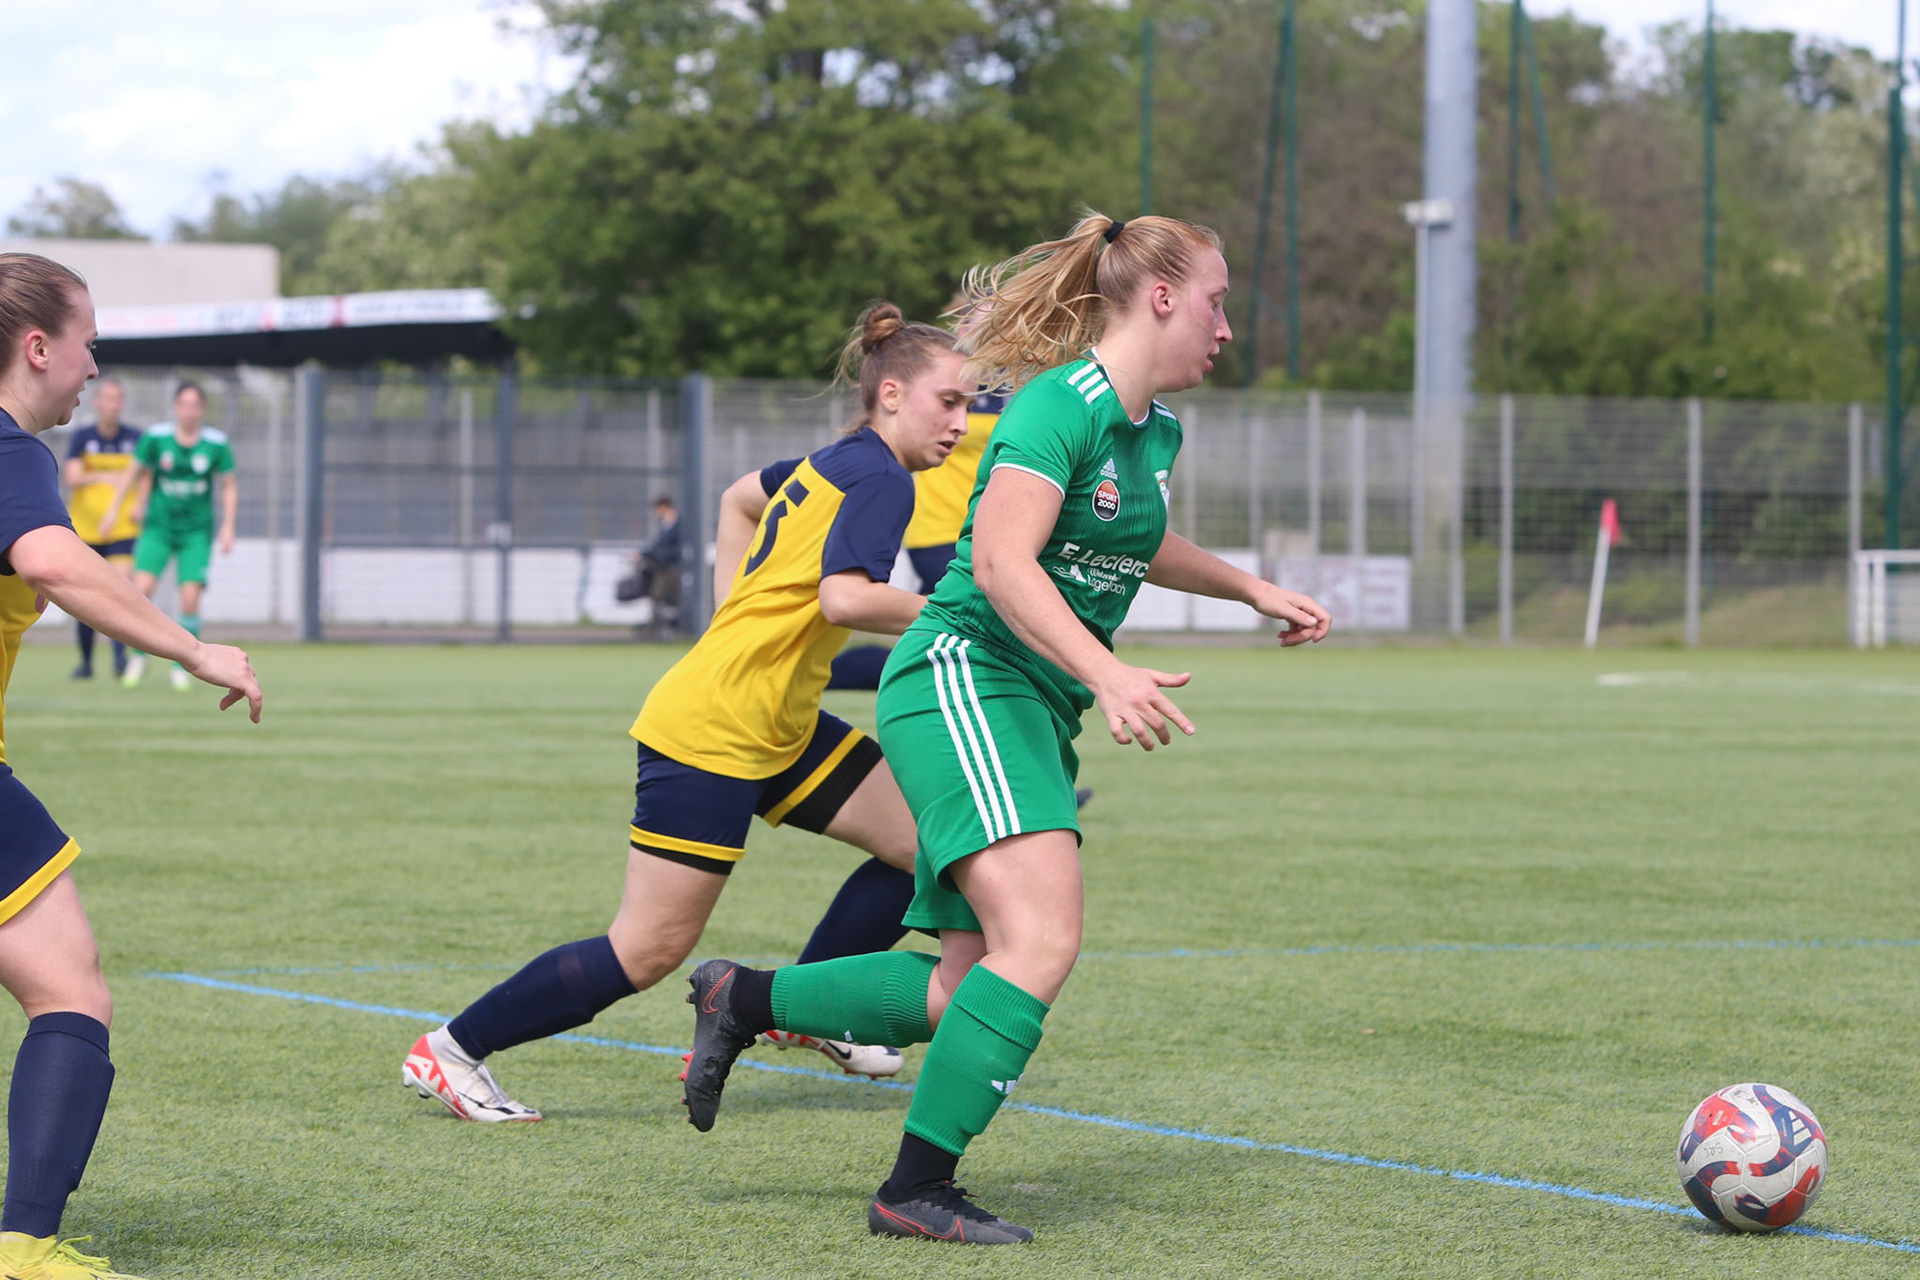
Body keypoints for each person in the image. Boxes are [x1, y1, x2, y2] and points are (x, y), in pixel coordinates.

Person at [677, 213, 1332, 1244]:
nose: (1225, 328)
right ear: (1161, 297)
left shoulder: (1154, 427)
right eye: (1217, 303)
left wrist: (1251, 587)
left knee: (963, 982)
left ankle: (745, 996)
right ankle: (913, 1189)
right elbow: (999, 561)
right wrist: (1107, 671)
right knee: (1042, 941)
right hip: (967, 678)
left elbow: (1137, 535)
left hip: (1020, 697)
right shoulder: (1055, 406)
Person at [401, 303, 974, 1120]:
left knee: (926, 847)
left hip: (779, 725)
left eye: (968, 404)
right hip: (714, 731)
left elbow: (738, 500)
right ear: (890, 394)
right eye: (948, 401)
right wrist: (964, 616)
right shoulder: (881, 476)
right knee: (647, 950)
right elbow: (845, 597)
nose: (961, 422)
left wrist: (729, 618)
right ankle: (452, 1050)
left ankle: (806, 1009)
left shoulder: (841, 460)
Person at [0, 252, 262, 1280]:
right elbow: (53, 561)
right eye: (89, 343)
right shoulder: (11, 451)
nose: (94, 366)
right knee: (70, 987)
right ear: (38, 348)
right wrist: (194, 648)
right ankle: (24, 1246)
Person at [104, 384, 235, 691]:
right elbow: (134, 472)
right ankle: (139, 656)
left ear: (201, 409)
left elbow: (229, 485)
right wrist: (114, 509)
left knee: (190, 597)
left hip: (196, 532)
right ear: (176, 407)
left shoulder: (216, 443)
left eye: (194, 405)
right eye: (183, 404)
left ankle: (182, 665)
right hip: (158, 528)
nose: (189, 411)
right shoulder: (156, 438)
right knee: (140, 591)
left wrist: (229, 525)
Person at [60, 379, 139, 680]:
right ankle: (86, 663)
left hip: (122, 529)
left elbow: (144, 475)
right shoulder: (82, 437)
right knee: (85, 599)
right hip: (86, 530)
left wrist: (139, 503)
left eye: (118, 399)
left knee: (120, 592)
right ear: (97, 402)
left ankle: (120, 660)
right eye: (108, 398)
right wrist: (105, 476)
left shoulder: (135, 438)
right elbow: (71, 476)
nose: (113, 405)